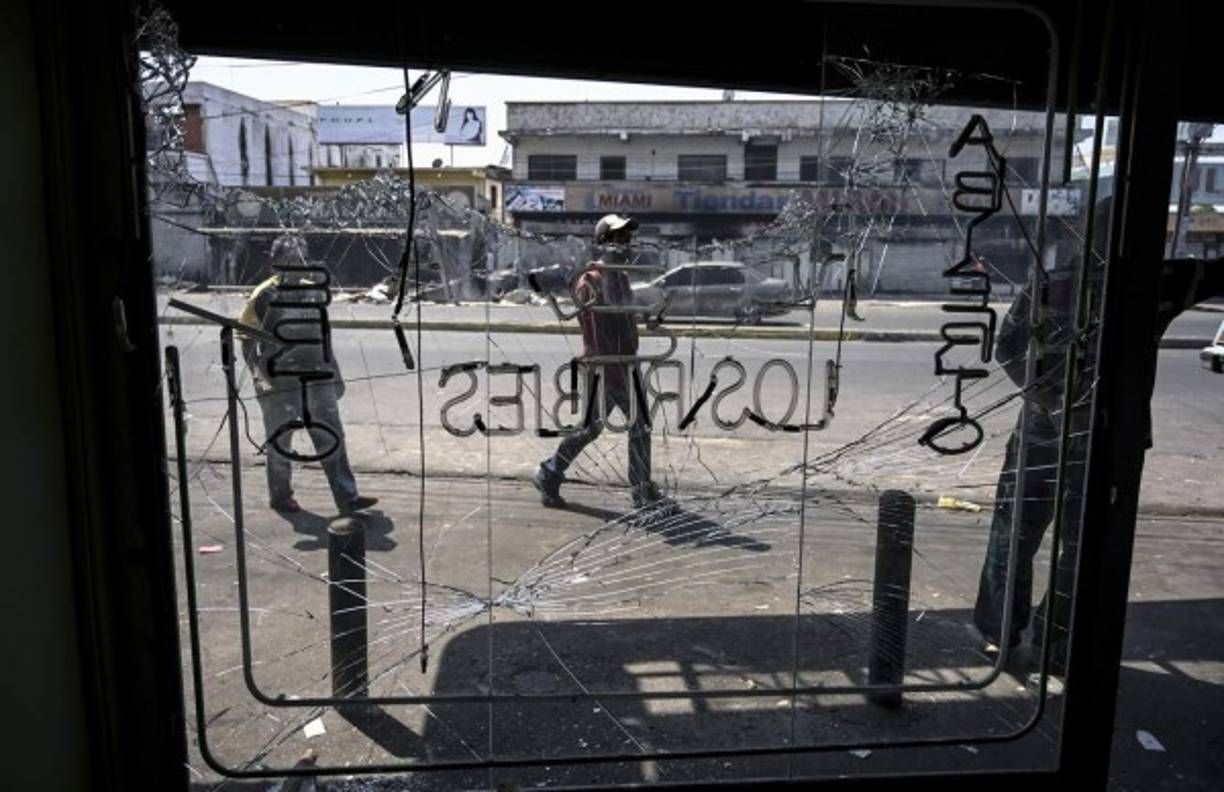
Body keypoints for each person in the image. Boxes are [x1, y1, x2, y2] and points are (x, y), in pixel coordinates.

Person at [973, 196, 1224, 672]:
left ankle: (1001, 633)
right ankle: (1054, 643)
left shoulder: (1056, 281)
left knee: (1018, 531)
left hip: (1044, 431)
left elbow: (1008, 347)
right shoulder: (1156, 281)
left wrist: (1046, 397)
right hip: (1100, 440)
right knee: (1079, 542)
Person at [533, 214, 668, 510]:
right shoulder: (590, 281)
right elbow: (596, 334)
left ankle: (638, 487)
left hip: (624, 364)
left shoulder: (619, 277)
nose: (625, 243)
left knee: (626, 427)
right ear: (603, 242)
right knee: (601, 428)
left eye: (627, 238)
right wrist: (617, 370)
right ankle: (551, 472)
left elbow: (624, 319)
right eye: (619, 237)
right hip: (604, 367)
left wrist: (645, 319)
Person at [239, 261, 378, 515]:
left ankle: (348, 497)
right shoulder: (263, 295)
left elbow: (323, 334)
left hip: (317, 376)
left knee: (332, 435)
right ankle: (280, 496)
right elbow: (247, 341)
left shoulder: (313, 291)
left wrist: (336, 373)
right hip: (280, 380)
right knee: (280, 440)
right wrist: (259, 378)